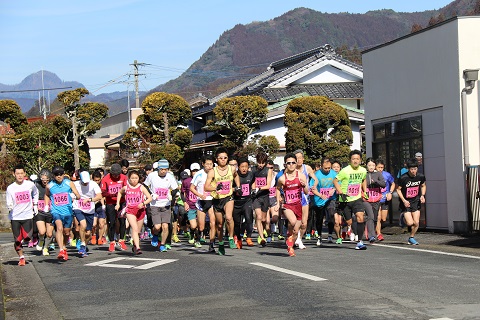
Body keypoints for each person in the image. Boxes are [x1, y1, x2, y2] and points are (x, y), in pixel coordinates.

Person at [204, 148, 240, 255]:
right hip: (217, 199)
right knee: (219, 225)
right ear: (217, 159)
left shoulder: (232, 169)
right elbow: (206, 187)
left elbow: (236, 176)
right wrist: (215, 188)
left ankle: (230, 238)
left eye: (225, 158)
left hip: (228, 197)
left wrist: (238, 186)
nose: (223, 160)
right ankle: (220, 243)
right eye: (221, 158)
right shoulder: (212, 172)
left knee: (229, 217)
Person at [44, 165, 81, 261]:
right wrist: (46, 205)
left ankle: (64, 246)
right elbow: (47, 195)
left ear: (64, 174)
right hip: (56, 211)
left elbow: (78, 195)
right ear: (53, 175)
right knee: (59, 228)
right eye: (56, 175)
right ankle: (61, 250)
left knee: (66, 232)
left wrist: (75, 195)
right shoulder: (50, 185)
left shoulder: (69, 183)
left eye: (60, 174)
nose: (59, 176)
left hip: (68, 211)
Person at [333, 150, 367, 250]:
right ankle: (350, 229)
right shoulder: (345, 171)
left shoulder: (363, 170)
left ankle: (360, 241)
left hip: (357, 198)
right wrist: (340, 191)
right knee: (349, 222)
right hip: (345, 200)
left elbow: (364, 179)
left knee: (360, 217)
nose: (355, 161)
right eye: (353, 159)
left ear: (360, 160)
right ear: (350, 160)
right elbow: (335, 180)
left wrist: (365, 191)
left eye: (357, 159)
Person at [276, 153, 309, 257]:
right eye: (288, 163)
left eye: (293, 163)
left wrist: (304, 186)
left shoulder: (301, 176)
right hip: (287, 205)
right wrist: (278, 202)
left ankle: (290, 244)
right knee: (293, 221)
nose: (291, 165)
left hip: (298, 204)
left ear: (296, 163)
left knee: (295, 231)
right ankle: (289, 237)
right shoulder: (282, 178)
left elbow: (307, 192)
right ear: (285, 164)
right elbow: (277, 189)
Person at [6, 164, 39, 266]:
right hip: (15, 217)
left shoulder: (30, 185)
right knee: (17, 240)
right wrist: (10, 206)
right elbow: (8, 201)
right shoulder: (10, 188)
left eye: (21, 173)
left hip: (27, 216)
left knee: (27, 237)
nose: (20, 176)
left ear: (24, 174)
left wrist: (35, 205)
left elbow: (36, 193)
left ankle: (30, 239)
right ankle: (21, 257)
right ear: (14, 174)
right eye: (17, 174)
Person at [144, 159, 178, 252]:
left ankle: (162, 244)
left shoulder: (170, 176)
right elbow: (145, 186)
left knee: (165, 226)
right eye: (162, 169)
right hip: (155, 205)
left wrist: (171, 195)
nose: (164, 171)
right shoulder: (152, 176)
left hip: (166, 205)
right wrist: (151, 194)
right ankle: (155, 235)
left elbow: (175, 188)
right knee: (157, 226)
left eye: (166, 169)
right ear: (158, 168)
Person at [115, 170, 152, 255]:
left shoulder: (141, 187)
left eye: (136, 178)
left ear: (139, 178)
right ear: (129, 179)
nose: (134, 180)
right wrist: (117, 204)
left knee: (138, 231)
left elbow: (150, 198)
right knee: (134, 229)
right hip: (130, 210)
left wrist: (143, 203)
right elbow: (120, 193)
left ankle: (135, 245)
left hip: (140, 210)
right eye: (132, 178)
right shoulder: (126, 187)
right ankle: (138, 248)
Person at [72, 170, 102, 257]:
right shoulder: (75, 184)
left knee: (88, 233)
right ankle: (81, 244)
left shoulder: (93, 184)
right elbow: (70, 192)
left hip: (90, 209)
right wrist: (73, 197)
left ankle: (84, 245)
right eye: (83, 182)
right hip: (78, 207)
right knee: (83, 225)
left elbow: (99, 196)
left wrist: (90, 200)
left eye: (87, 182)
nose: (85, 184)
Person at [396, 158, 426, 245]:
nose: (413, 171)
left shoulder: (420, 176)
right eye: (412, 169)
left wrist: (422, 195)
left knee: (416, 223)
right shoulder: (403, 178)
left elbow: (423, 186)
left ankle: (411, 237)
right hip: (406, 202)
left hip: (416, 201)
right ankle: (402, 216)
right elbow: (398, 190)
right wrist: (404, 200)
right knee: (410, 223)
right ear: (408, 169)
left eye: (415, 169)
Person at [293, 150, 318, 250]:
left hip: (304, 197)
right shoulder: (291, 169)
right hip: (294, 197)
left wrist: (314, 185)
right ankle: (294, 238)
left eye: (300, 158)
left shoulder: (306, 168)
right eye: (296, 158)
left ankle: (299, 238)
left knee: (304, 223)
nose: (298, 160)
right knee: (294, 222)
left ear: (303, 159)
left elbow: (315, 179)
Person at [100, 163, 128, 252]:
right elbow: (103, 192)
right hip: (110, 203)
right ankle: (112, 241)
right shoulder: (105, 179)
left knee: (122, 221)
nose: (116, 176)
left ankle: (121, 240)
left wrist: (122, 194)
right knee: (111, 222)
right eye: (114, 175)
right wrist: (111, 194)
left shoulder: (123, 177)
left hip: (122, 202)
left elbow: (127, 188)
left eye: (117, 175)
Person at [190, 155, 214, 249]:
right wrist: (200, 195)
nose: (209, 166)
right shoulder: (198, 174)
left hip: (211, 200)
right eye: (207, 164)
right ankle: (197, 238)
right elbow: (192, 188)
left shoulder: (215, 173)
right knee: (201, 227)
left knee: (213, 222)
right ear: (203, 164)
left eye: (211, 164)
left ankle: (211, 243)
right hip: (201, 202)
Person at [312, 158, 337, 246]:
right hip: (319, 200)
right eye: (325, 168)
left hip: (330, 198)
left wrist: (334, 189)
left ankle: (330, 235)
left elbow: (338, 183)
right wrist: (320, 195)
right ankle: (319, 236)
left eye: (329, 168)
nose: (327, 170)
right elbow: (313, 189)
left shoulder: (334, 173)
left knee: (331, 214)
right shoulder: (317, 175)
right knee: (319, 218)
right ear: (321, 166)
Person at [252, 152, 275, 246]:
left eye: (262, 163)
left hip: (265, 196)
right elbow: (252, 181)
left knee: (264, 219)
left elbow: (268, 185)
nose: (260, 165)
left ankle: (267, 233)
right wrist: (254, 189)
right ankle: (261, 237)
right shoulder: (253, 169)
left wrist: (259, 188)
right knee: (259, 216)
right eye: (259, 162)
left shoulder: (268, 170)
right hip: (256, 197)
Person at [232, 157, 255, 249]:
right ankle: (238, 238)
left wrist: (253, 190)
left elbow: (253, 182)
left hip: (247, 200)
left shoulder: (251, 174)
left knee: (249, 218)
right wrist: (236, 190)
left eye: (246, 166)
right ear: (238, 167)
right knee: (237, 223)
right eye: (242, 166)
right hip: (236, 202)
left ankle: (248, 237)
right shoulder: (235, 175)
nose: (244, 168)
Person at [362, 158, 386, 244]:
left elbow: (383, 184)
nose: (371, 167)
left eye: (372, 165)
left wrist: (375, 181)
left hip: (376, 198)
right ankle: (372, 235)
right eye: (369, 165)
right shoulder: (364, 174)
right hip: (366, 199)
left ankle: (370, 230)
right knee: (370, 216)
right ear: (366, 166)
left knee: (375, 218)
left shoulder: (378, 174)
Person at [33, 169, 55, 256]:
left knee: (49, 234)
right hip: (40, 210)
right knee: (42, 232)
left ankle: (46, 247)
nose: (45, 182)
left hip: (50, 211)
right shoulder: (35, 184)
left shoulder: (53, 184)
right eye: (43, 180)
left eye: (46, 180)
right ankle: (41, 240)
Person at [182, 163, 202, 248]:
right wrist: (185, 202)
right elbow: (182, 193)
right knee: (193, 225)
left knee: (200, 226)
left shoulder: (203, 180)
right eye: (193, 171)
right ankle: (192, 232)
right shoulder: (186, 181)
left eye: (196, 170)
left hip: (200, 206)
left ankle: (197, 240)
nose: (195, 172)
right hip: (191, 206)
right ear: (191, 172)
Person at [376, 160, 395, 241]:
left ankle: (375, 228)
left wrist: (390, 192)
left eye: (382, 167)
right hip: (376, 199)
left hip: (385, 199)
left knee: (383, 219)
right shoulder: (372, 175)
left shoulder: (387, 175)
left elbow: (393, 184)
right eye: (379, 167)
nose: (380, 169)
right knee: (378, 217)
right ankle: (379, 234)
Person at [91, 171, 107, 245]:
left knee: (101, 224)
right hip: (92, 207)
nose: (97, 182)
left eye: (98, 180)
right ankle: (93, 235)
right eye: (95, 180)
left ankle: (100, 238)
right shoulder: (90, 186)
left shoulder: (103, 186)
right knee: (94, 224)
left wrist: (103, 204)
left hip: (101, 206)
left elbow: (103, 196)